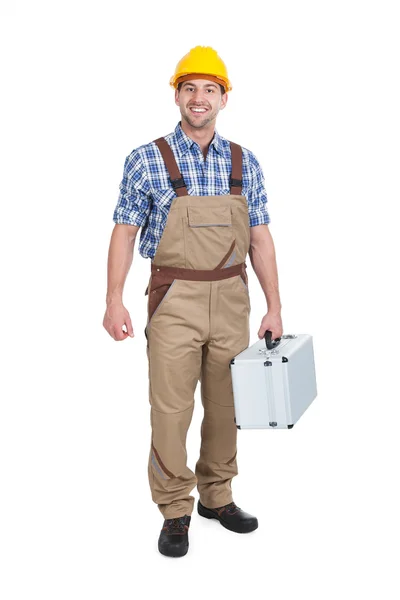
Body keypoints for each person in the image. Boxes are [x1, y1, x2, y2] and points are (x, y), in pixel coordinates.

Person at [103, 46, 283, 558]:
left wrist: (274, 306)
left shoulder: (244, 161)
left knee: (228, 407)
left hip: (232, 296)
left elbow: (261, 238)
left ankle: (217, 496)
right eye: (189, 88)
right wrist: (113, 299)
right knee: (171, 409)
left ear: (225, 98)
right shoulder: (146, 158)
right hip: (173, 298)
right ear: (177, 95)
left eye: (209, 89)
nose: (199, 98)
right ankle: (174, 508)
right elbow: (123, 232)